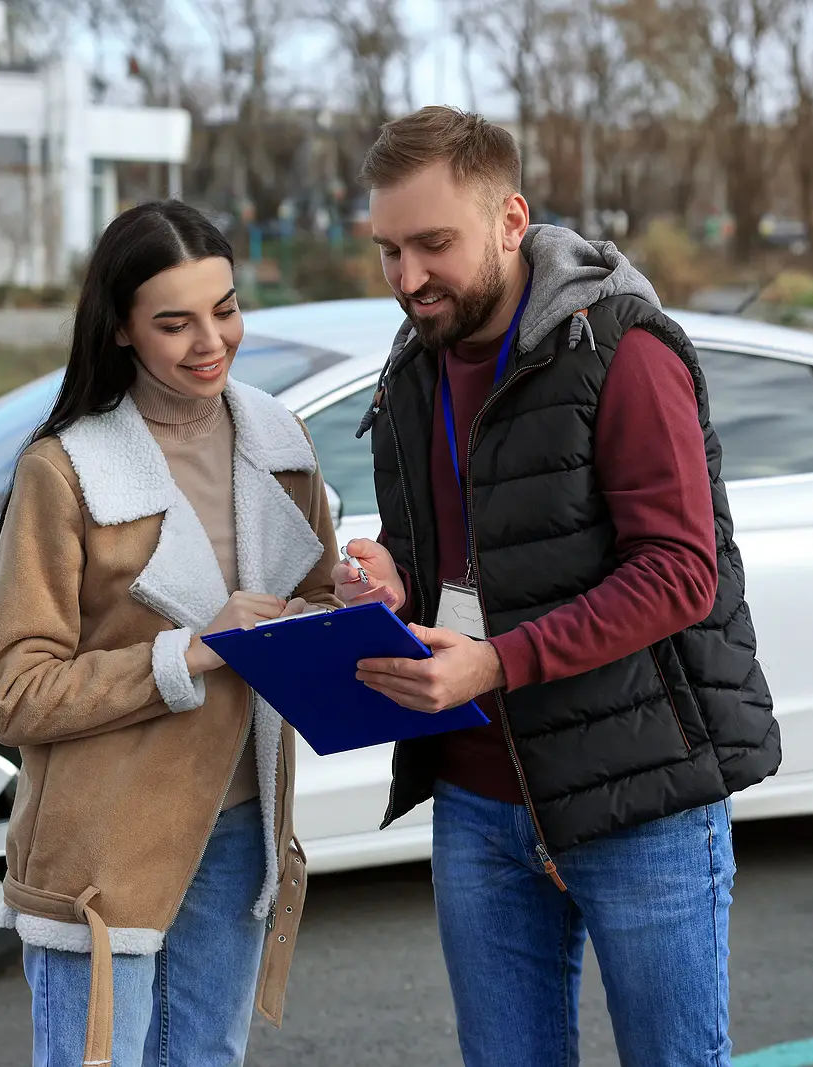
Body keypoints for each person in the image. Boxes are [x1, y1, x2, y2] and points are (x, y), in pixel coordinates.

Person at [333, 105, 781, 1066]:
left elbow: (679, 573)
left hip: (640, 800)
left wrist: (496, 662)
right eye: (388, 250)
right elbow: (451, 551)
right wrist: (388, 577)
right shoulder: (411, 367)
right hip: (479, 797)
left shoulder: (619, 347)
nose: (408, 278)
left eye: (433, 244)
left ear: (510, 219)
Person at [0, 200, 338, 1067]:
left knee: (207, 1057)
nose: (211, 340)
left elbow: (316, 599)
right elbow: (10, 691)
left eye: (225, 308)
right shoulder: (65, 470)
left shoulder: (279, 441)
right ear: (125, 330)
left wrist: (343, 607)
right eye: (174, 322)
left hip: (244, 821)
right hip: (103, 849)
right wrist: (189, 650)